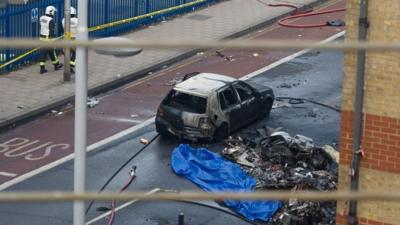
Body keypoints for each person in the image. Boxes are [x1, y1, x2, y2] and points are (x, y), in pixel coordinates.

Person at [39, 5, 63, 74]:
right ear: (51, 12)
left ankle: (42, 68)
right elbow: (52, 32)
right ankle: (56, 65)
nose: (54, 13)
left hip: (42, 38)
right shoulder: (51, 20)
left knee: (42, 53)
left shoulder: (41, 18)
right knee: (52, 52)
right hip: (48, 39)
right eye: (53, 12)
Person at [62, 6, 78, 73]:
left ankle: (67, 65)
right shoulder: (78, 20)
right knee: (76, 52)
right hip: (74, 39)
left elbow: (62, 29)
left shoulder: (63, 20)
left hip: (66, 38)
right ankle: (71, 65)